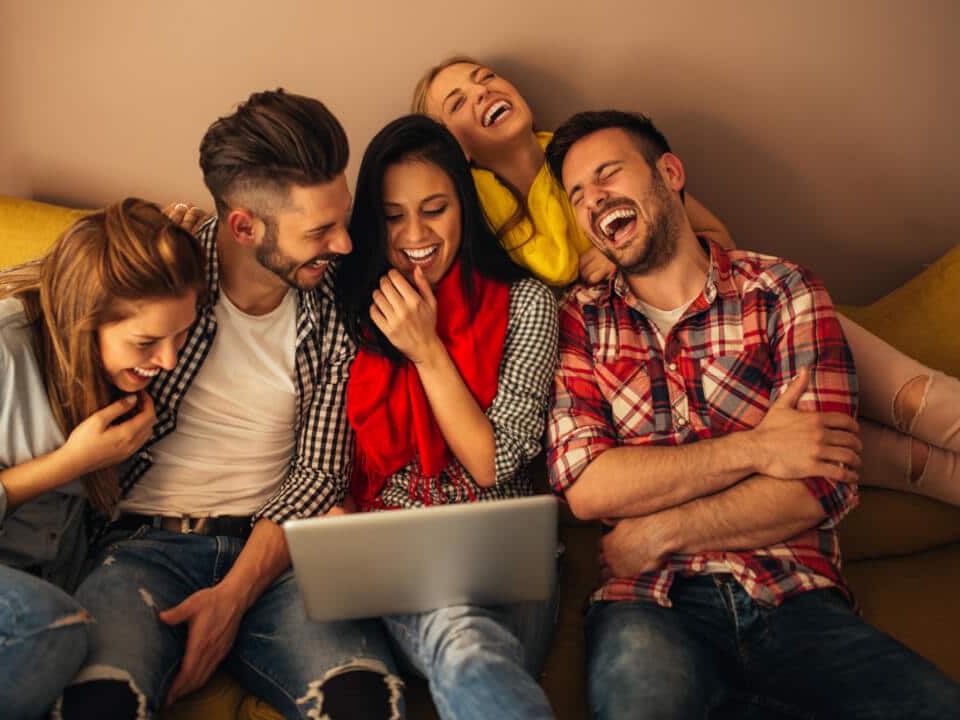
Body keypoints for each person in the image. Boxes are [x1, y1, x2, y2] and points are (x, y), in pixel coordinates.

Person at [0, 91, 404, 720]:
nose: (344, 244)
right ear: (244, 226)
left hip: (271, 557)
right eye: (319, 230)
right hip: (136, 548)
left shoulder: (334, 309)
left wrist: (233, 597)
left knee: (364, 700)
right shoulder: (160, 266)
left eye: (341, 219)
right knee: (97, 702)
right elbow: (22, 296)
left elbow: (318, 473)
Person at [543, 109, 960, 719]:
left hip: (795, 600)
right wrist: (757, 448)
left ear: (670, 173)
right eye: (577, 195)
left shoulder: (782, 290)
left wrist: (660, 530)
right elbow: (589, 488)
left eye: (608, 173)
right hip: (647, 610)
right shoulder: (579, 321)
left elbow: (818, 485)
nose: (593, 198)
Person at [413, 56, 960, 506]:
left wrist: (619, 259)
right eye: (457, 102)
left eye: (485, 79)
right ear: (454, 146)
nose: (481, 93)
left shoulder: (591, 151)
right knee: (871, 452)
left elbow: (717, 235)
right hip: (627, 370)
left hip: (728, 319)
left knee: (916, 401)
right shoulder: (470, 218)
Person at [0, 198, 196, 719]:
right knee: (46, 622)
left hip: (5, 607)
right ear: (85, 316)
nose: (167, 360)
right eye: (147, 341)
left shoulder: (106, 377)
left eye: (180, 334)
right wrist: (67, 464)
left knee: (72, 638)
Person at [337, 114, 558, 720]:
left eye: (434, 209)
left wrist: (427, 349)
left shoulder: (527, 303)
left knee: (467, 634)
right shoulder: (349, 309)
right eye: (392, 216)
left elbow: (494, 463)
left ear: (463, 205)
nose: (415, 233)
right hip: (397, 564)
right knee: (459, 636)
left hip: (499, 562)